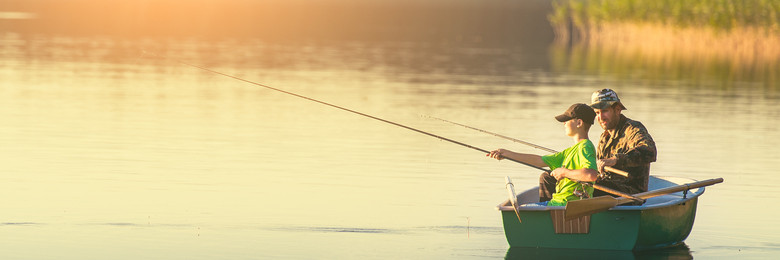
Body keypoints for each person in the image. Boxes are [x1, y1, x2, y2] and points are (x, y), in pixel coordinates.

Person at [487, 103, 599, 206]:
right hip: (557, 203)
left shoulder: (585, 146)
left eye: (567, 120)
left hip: (564, 206)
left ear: (579, 123)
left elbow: (591, 175)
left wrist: (564, 172)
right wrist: (507, 154)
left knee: (524, 209)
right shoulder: (568, 152)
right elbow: (539, 161)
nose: (564, 123)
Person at [590, 89, 657, 196]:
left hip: (631, 194)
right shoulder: (604, 137)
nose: (601, 117)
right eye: (597, 113)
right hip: (606, 188)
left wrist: (615, 160)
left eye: (605, 111)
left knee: (590, 188)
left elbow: (649, 151)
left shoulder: (633, 129)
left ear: (617, 110)